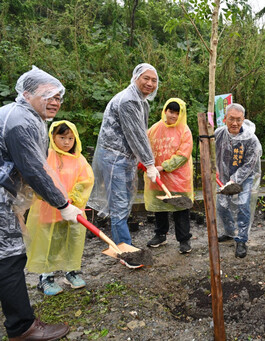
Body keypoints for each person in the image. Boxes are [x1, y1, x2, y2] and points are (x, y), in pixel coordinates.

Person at [0, 67, 83, 340]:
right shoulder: (21, 120)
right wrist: (62, 204)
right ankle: (22, 328)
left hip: (5, 197)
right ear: (26, 93)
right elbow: (34, 170)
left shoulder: (20, 115)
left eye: (59, 96)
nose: (56, 101)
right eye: (48, 95)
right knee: (10, 257)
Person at [88, 63, 160, 246]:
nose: (150, 83)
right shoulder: (128, 100)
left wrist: (143, 159)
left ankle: (124, 244)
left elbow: (141, 133)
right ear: (135, 78)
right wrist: (150, 163)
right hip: (114, 158)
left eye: (154, 80)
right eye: (146, 78)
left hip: (125, 158)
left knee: (126, 202)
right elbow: (136, 135)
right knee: (119, 206)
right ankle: (124, 249)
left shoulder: (140, 102)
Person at [24, 120, 94, 296]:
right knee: (50, 244)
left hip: (73, 211)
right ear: (52, 137)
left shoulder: (79, 160)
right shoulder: (46, 157)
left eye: (70, 138)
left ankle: (71, 271)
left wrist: (73, 198)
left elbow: (86, 181)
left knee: (72, 242)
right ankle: (46, 278)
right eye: (62, 137)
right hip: (49, 211)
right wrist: (54, 199)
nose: (66, 142)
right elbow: (38, 180)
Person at [144, 98, 194, 253]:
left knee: (181, 209)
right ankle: (160, 235)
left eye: (177, 113)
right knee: (160, 208)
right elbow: (145, 147)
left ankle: (184, 240)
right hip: (158, 177)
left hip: (179, 179)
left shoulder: (185, 131)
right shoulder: (154, 129)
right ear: (165, 110)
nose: (173, 116)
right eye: (171, 111)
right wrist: (148, 165)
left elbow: (182, 155)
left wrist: (163, 167)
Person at [216, 103, 262, 258]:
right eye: (231, 119)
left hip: (245, 177)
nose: (234, 123)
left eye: (238, 119)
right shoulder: (218, 134)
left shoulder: (251, 139)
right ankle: (229, 232)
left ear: (243, 119)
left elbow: (250, 163)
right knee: (222, 206)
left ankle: (241, 239)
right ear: (225, 119)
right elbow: (211, 155)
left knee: (243, 205)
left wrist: (234, 180)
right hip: (223, 176)